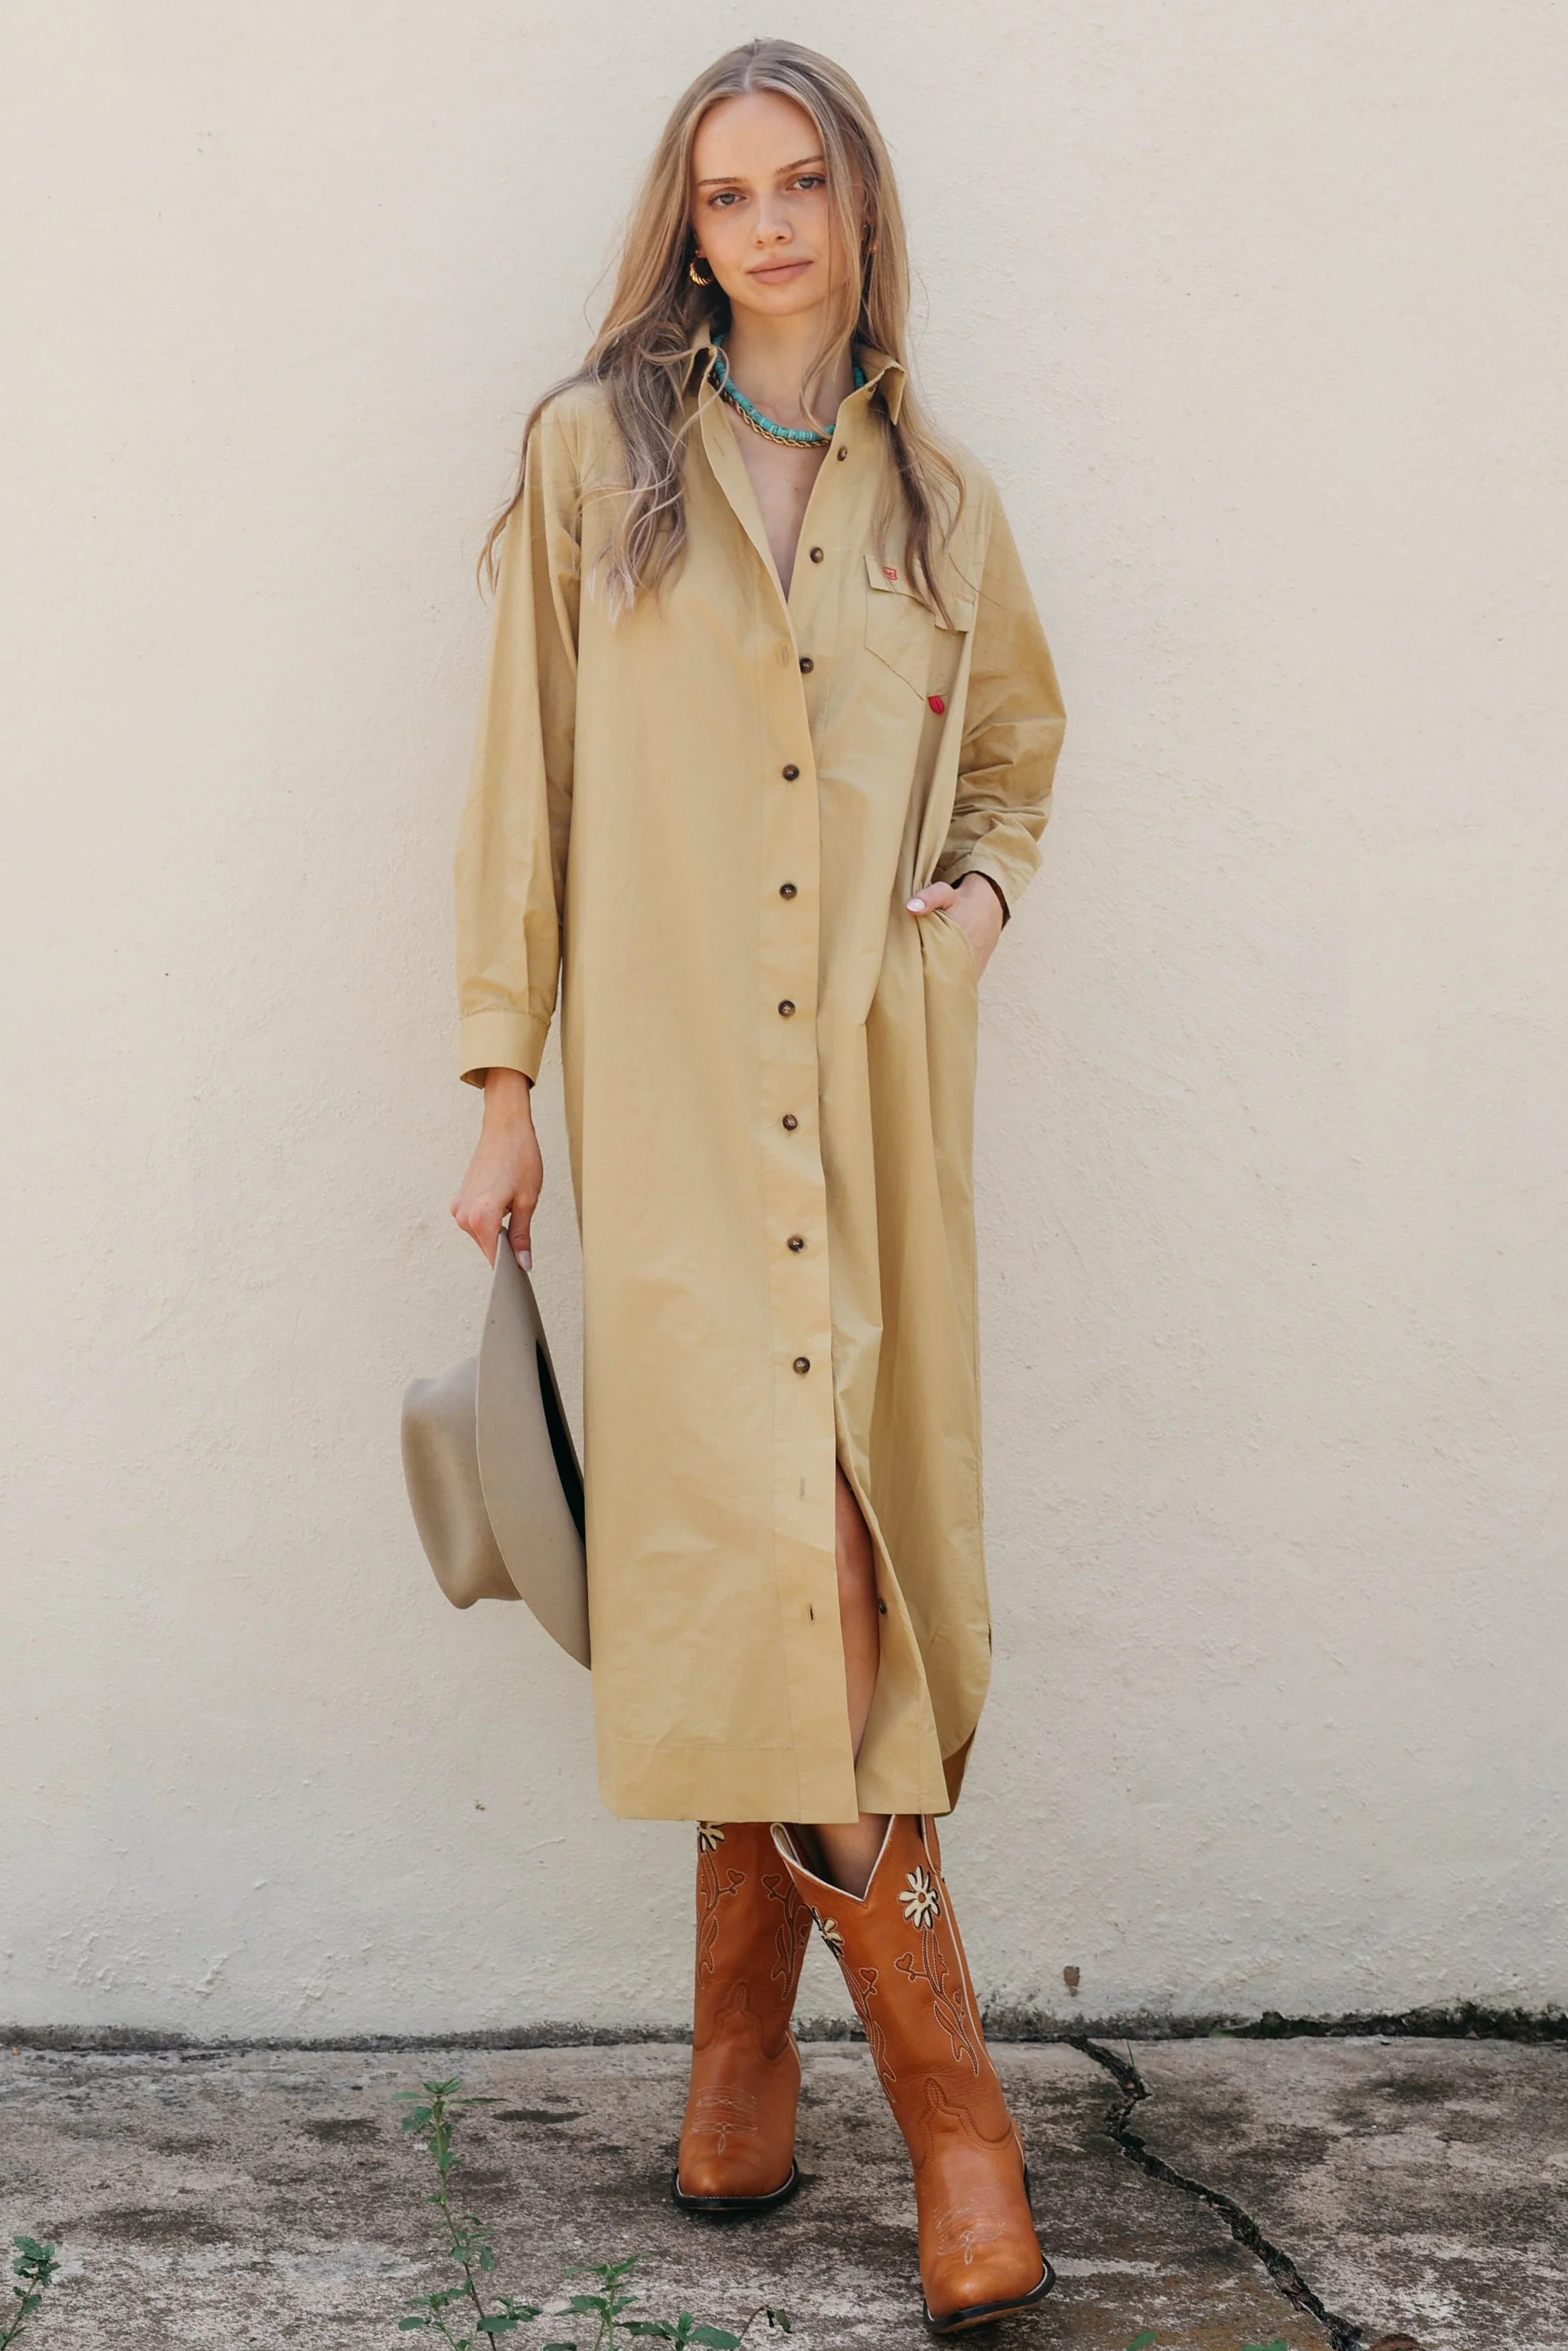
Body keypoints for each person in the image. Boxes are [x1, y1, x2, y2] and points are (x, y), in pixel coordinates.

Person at [449, 38, 1065, 2336]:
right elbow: (521, 781)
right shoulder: (593, 458)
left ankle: (737, 2082)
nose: (770, 224)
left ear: (858, 204)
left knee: (815, 1578)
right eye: (727, 193)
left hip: (875, 1114)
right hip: (683, 1117)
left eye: (802, 182)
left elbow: (1015, 752)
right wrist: (502, 1083)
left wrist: (971, 909)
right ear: (688, 226)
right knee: (803, 1573)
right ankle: (959, 2126)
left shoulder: (943, 503)